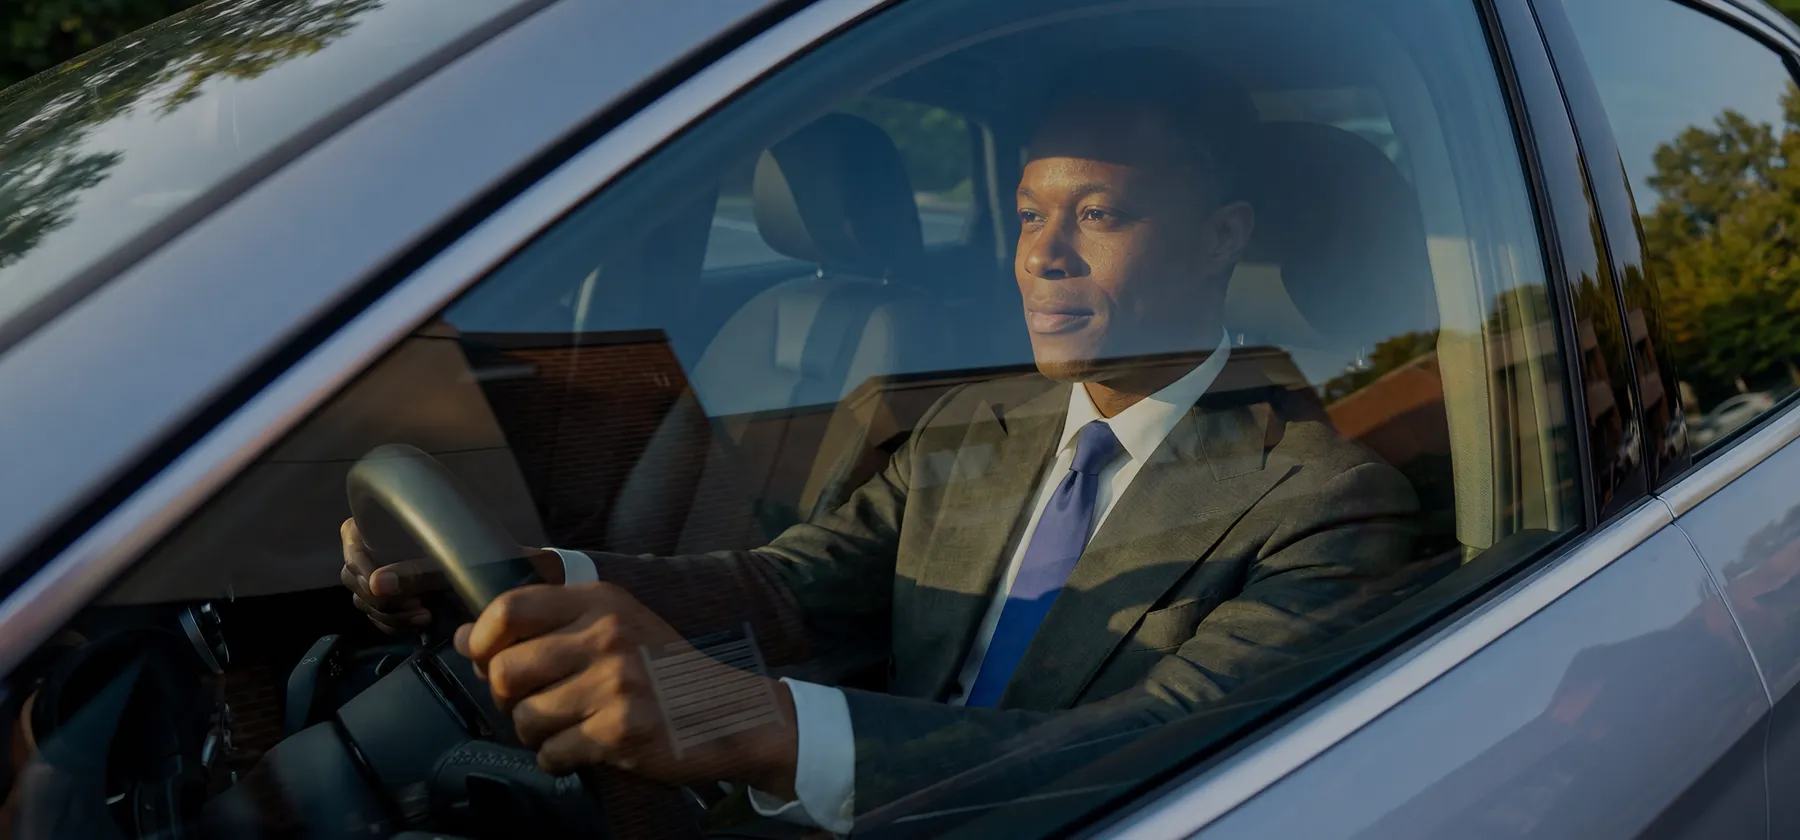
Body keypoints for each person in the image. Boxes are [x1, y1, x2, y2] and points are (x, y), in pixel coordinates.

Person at [340, 50, 1420, 833]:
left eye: (1098, 215)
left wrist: (761, 726)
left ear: (1223, 235)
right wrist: (535, 578)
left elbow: (1147, 745)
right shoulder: (974, 425)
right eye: (1028, 212)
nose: (1040, 256)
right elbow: (784, 588)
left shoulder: (1326, 501)